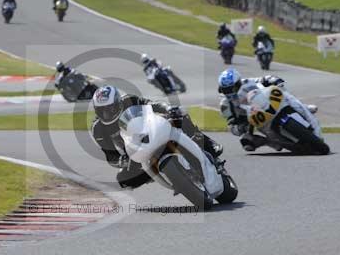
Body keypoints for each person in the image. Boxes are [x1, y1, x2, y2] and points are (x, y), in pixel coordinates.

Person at [91, 86, 223, 189]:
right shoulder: (98, 129)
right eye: (102, 110)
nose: (107, 113)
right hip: (134, 152)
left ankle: (207, 142)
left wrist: (168, 108)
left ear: (118, 103)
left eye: (110, 108)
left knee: (178, 115)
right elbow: (110, 155)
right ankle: (155, 175)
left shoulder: (129, 100)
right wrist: (122, 160)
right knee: (123, 180)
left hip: (151, 130)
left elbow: (151, 104)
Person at [217, 68, 317, 151]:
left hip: (267, 103)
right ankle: (268, 142)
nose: (230, 92)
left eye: (232, 88)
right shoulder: (225, 105)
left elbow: (263, 79)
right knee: (246, 141)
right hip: (255, 120)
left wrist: (273, 80)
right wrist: (240, 127)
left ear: (238, 83)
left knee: (282, 91)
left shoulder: (247, 83)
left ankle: (303, 107)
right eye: (226, 90)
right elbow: (231, 126)